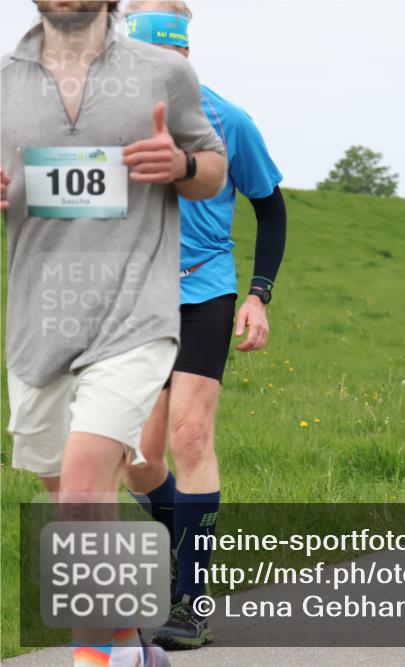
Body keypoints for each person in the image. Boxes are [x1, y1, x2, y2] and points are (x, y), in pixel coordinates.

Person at [1, 2, 227, 666]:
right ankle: (132, 648)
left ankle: (95, 658)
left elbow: (213, 170)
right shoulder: (6, 82)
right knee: (70, 494)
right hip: (39, 326)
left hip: (136, 316)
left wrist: (182, 165)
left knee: (81, 489)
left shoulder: (163, 75)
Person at [121, 0, 287, 650]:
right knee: (138, 460)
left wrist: (259, 295)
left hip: (204, 291)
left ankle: (192, 601)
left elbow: (270, 210)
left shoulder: (228, 119)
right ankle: (187, 540)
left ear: (186, 54)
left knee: (191, 438)